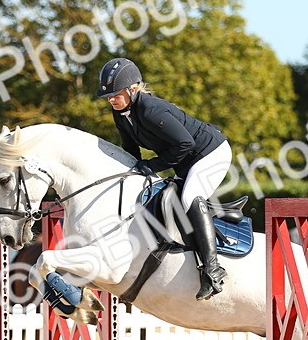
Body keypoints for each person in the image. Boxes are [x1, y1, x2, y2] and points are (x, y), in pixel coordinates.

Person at [95, 57, 233, 300]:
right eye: (109, 96)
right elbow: (131, 151)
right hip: (187, 160)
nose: (111, 99)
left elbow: (185, 143)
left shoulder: (151, 109)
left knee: (190, 197)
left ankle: (213, 271)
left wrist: (152, 165)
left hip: (211, 153)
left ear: (132, 89)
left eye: (116, 94)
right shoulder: (121, 114)